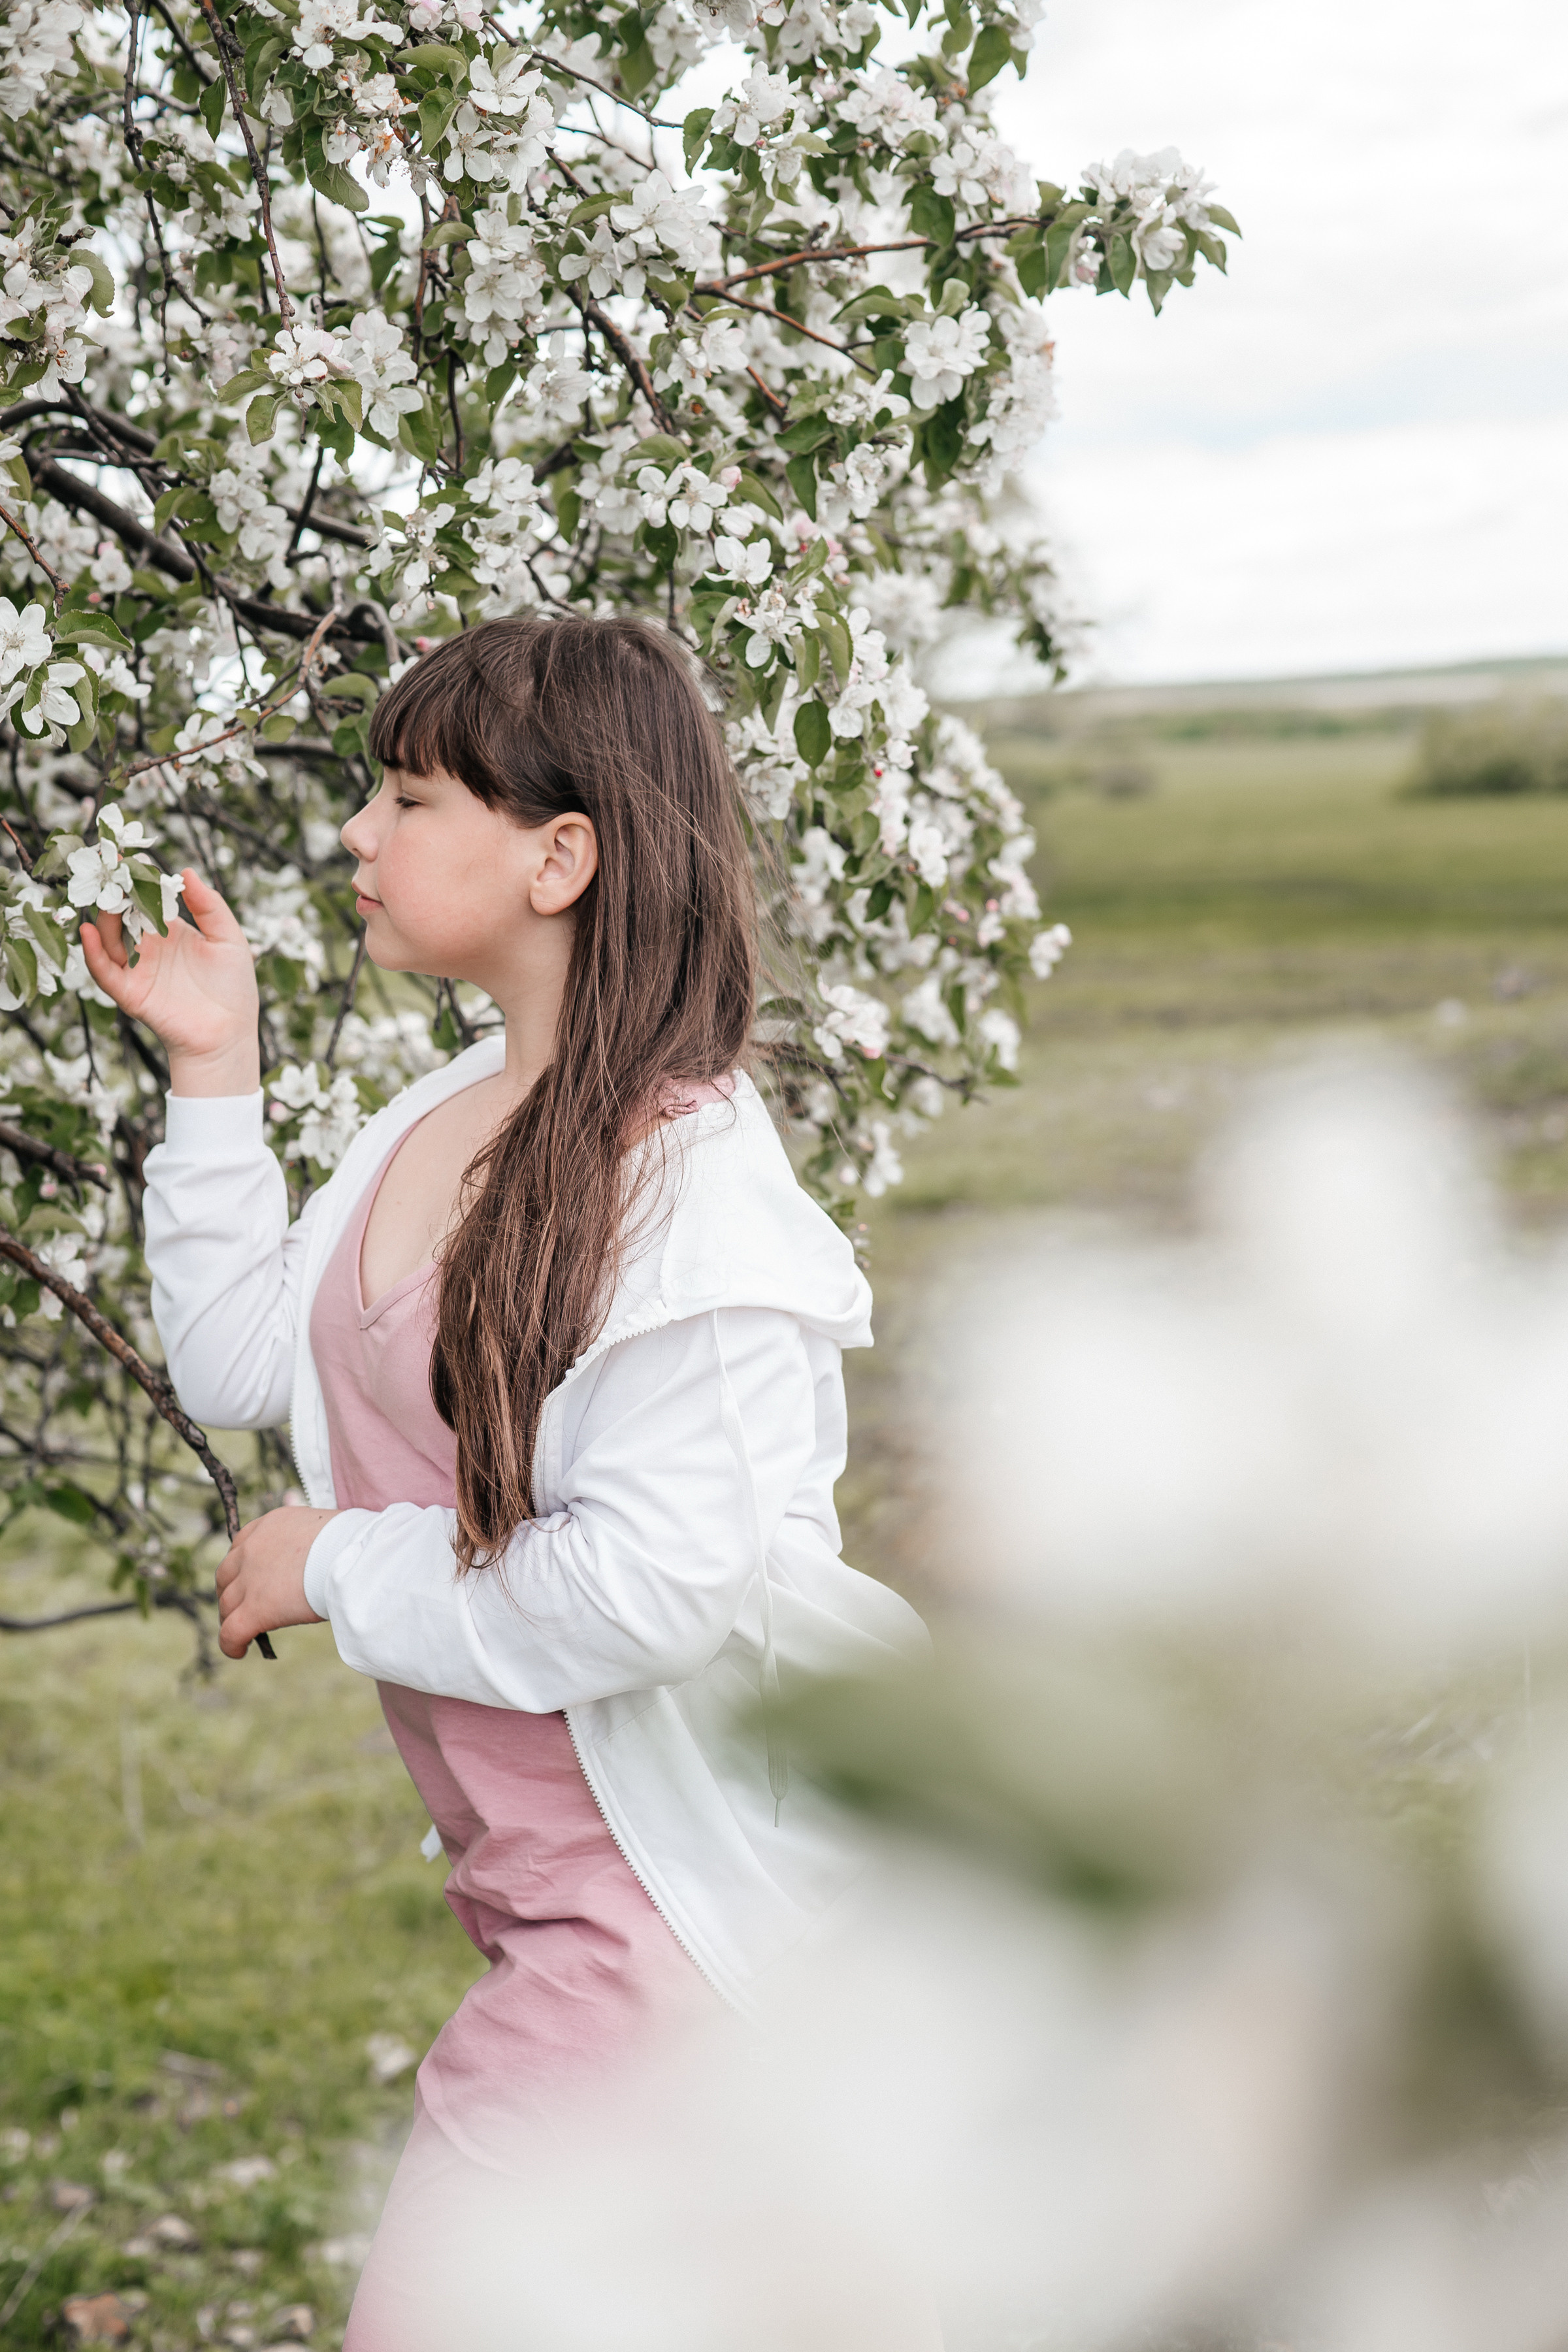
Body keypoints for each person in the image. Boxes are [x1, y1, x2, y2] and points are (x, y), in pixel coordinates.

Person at [80, 615, 929, 2347]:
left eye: (406, 797)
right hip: (552, 1912)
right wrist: (212, 1076)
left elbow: (649, 1590)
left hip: (678, 1921)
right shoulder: (445, 1110)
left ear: (561, 854)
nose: (358, 839)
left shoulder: (691, 1190)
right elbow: (248, 1361)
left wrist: (337, 1567)